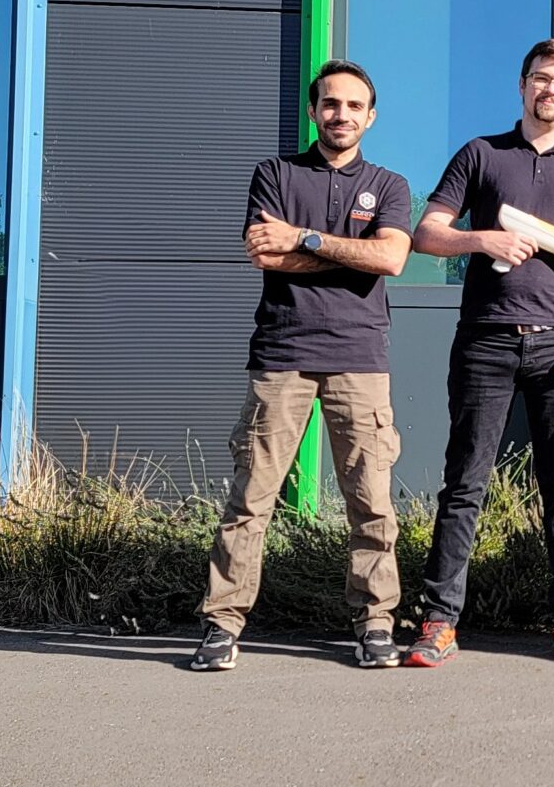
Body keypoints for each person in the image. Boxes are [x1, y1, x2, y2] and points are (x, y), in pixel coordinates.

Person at [190, 60, 413, 672]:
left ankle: (375, 623)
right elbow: (265, 253)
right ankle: (222, 624)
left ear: (371, 116)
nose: (341, 114)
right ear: (314, 111)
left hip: (360, 359)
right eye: (330, 103)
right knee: (250, 499)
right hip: (282, 356)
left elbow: (391, 259)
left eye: (354, 106)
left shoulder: (389, 185)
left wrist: (305, 238)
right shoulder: (276, 173)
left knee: (371, 503)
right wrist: (350, 255)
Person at [404, 37, 554, 667]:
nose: (551, 90)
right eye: (542, 78)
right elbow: (426, 233)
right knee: (464, 484)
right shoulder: (481, 153)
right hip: (485, 341)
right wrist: (483, 239)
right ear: (522, 85)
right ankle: (439, 621)